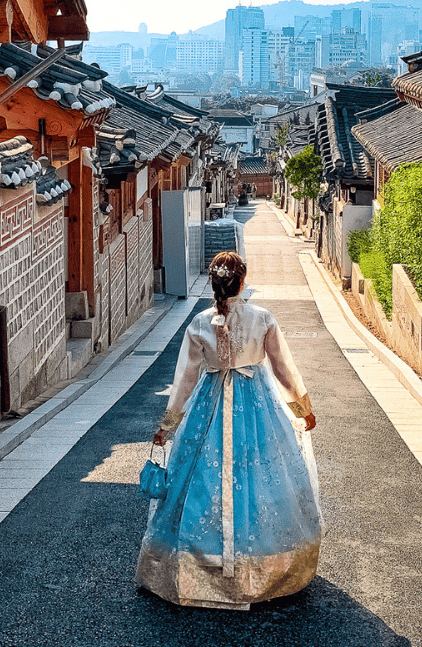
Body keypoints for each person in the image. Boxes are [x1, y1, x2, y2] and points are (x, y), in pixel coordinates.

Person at [136, 251, 322, 610]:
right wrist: (302, 407)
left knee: (200, 478)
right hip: (257, 407)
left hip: (209, 406)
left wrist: (168, 426)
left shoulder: (199, 323)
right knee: (261, 477)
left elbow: (185, 381)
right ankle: (262, 565)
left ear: (213, 282)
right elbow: (283, 369)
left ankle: (196, 567)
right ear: (242, 280)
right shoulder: (262, 318)